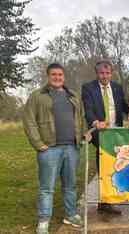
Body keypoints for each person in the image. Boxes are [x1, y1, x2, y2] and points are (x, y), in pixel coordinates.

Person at [23, 63, 91, 234]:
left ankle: (70, 215)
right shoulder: (38, 96)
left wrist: (83, 135)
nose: (57, 77)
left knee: (70, 185)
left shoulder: (73, 95)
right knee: (47, 187)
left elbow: (81, 118)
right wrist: (39, 144)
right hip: (49, 149)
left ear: (64, 76)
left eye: (60, 74)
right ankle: (44, 220)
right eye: (54, 74)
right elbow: (29, 121)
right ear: (48, 76)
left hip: (71, 148)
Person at [82, 60, 129, 214]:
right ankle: (104, 201)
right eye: (102, 73)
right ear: (97, 73)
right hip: (101, 133)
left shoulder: (117, 88)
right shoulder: (88, 88)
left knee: (116, 165)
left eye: (107, 73)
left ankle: (108, 200)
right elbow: (88, 109)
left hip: (117, 133)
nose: (105, 76)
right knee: (104, 165)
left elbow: (125, 107)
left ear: (111, 73)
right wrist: (96, 122)